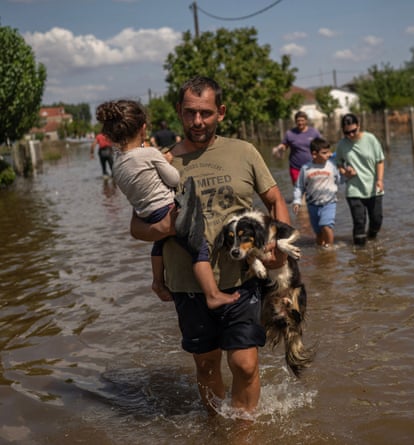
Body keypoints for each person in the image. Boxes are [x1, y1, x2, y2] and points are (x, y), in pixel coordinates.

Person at [130, 76, 291, 416]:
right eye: (190, 113)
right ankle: (217, 427)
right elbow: (137, 227)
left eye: (205, 113)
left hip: (242, 276)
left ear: (221, 112)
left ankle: (242, 436)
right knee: (205, 368)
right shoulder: (161, 162)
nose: (197, 122)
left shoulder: (244, 151)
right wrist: (168, 226)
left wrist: (276, 246)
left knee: (245, 365)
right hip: (188, 286)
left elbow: (275, 200)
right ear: (179, 112)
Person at [96, 99, 239, 309]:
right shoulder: (150, 153)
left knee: (159, 243)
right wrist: (166, 161)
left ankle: (158, 282)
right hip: (167, 208)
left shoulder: (117, 164)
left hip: (145, 213)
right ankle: (212, 294)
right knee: (199, 248)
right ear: (143, 128)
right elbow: (173, 179)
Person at [335, 113, 385, 246]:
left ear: (359, 126)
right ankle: (360, 258)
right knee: (359, 222)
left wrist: (379, 180)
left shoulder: (370, 139)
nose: (350, 135)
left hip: (373, 188)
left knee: (376, 220)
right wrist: (345, 172)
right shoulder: (342, 145)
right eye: (347, 132)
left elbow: (379, 161)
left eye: (353, 131)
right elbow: (338, 163)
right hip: (354, 189)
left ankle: (372, 240)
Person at [292, 137, 340, 249]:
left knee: (326, 226)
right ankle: (320, 250)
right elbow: (299, 186)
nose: (329, 154)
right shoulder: (306, 168)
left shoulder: (332, 165)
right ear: (314, 154)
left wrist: (347, 174)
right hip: (312, 205)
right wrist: (297, 201)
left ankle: (330, 249)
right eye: (324, 153)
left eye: (329, 151)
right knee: (318, 233)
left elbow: (339, 179)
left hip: (329, 203)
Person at [272, 110, 321, 185]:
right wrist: (280, 148)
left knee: (312, 189)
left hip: (311, 166)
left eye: (302, 120)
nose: (300, 123)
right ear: (295, 121)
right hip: (295, 167)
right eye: (298, 120)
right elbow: (284, 145)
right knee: (298, 190)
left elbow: (322, 145)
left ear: (306, 121)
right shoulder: (290, 133)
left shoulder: (314, 132)